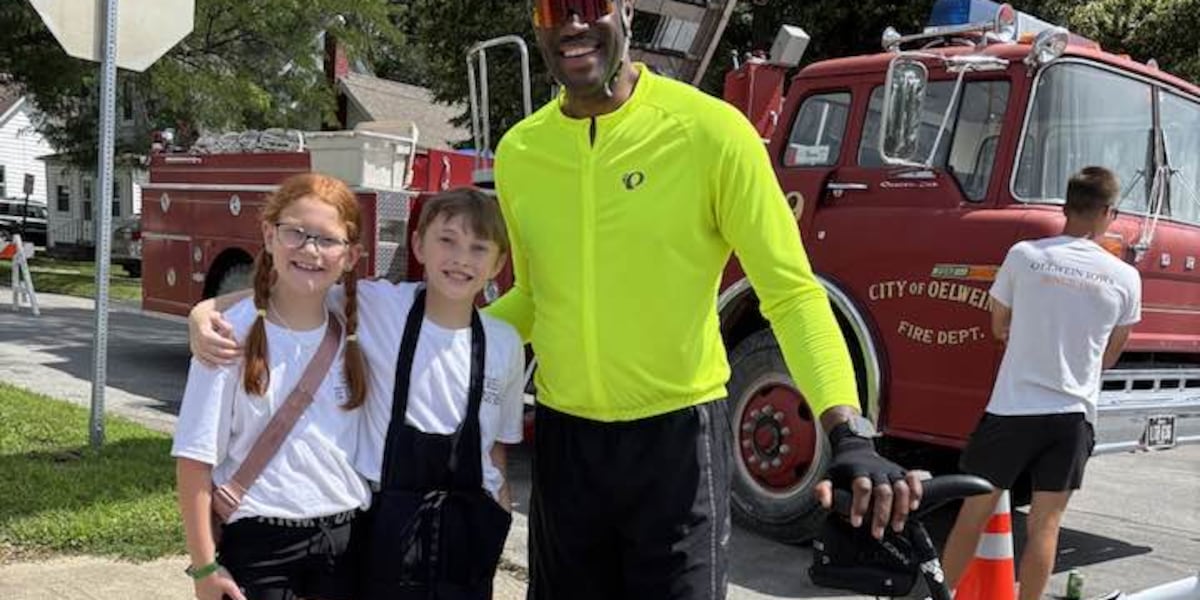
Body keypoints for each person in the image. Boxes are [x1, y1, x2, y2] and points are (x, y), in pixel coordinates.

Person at [193, 2, 921, 597]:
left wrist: (848, 431)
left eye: (588, 4)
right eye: (552, 8)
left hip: (675, 441)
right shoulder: (522, 150)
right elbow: (530, 299)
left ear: (624, 13)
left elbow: (789, 293)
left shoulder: (711, 133)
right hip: (568, 446)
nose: (572, 23)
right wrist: (224, 313)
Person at [189, 188, 526, 597]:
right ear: (418, 245)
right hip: (386, 530)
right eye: (447, 240)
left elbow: (496, 450)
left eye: (478, 247)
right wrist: (204, 312)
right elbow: (294, 289)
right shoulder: (378, 305)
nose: (460, 258)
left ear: (499, 263)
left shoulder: (504, 343)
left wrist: (499, 516)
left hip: (467, 534)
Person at [941, 166, 1142, 600]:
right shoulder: (1126, 277)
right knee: (1045, 525)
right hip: (1072, 417)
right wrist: (1083, 371)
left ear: (1064, 207)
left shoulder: (1026, 256)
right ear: (1109, 212)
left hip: (1012, 409)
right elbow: (1115, 346)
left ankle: (941, 596)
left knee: (972, 515)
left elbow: (998, 324)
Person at [172, 173, 370, 600]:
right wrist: (204, 567)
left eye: (327, 240)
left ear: (351, 256)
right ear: (268, 234)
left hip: (347, 544)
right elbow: (193, 463)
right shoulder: (226, 337)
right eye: (295, 233)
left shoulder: (359, 329)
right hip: (259, 549)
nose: (311, 250)